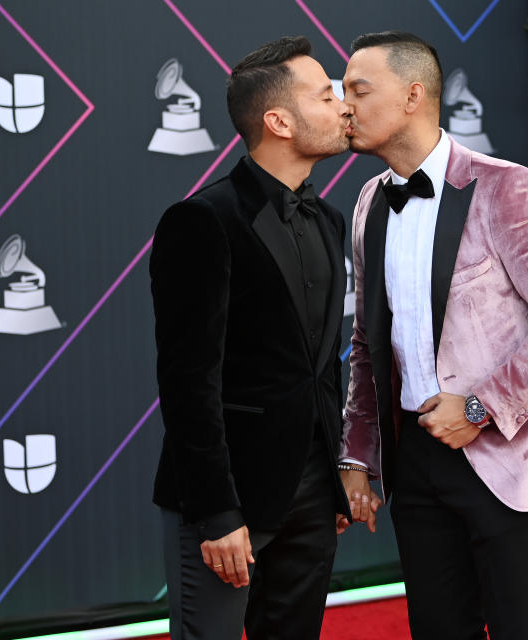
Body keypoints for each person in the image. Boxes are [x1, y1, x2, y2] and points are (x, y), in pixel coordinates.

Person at [338, 31, 528, 639]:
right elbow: (366, 345)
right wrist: (358, 453)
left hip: (509, 456)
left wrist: (481, 408)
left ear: (412, 96)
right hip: (415, 462)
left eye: (359, 89)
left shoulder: (505, 187)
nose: (344, 105)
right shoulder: (367, 203)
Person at [150, 35, 354, 640]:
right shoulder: (203, 220)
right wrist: (216, 512)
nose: (344, 107)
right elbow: (188, 380)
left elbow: (322, 365)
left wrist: (339, 470)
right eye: (326, 95)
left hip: (314, 491)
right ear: (279, 121)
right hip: (228, 498)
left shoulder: (330, 218)